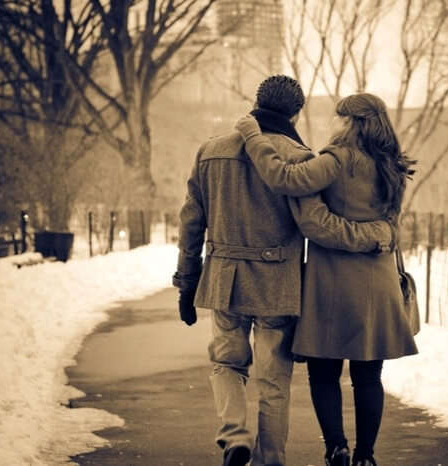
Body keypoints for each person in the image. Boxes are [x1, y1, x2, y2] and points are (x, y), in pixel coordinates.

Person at [173, 76, 395, 466]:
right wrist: (378, 234)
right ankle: (270, 459)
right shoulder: (300, 156)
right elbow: (315, 223)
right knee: (274, 381)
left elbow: (191, 221)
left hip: (225, 278)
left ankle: (235, 434)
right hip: (277, 282)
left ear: (256, 101)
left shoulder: (209, 152)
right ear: (296, 112)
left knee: (226, 363)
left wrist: (187, 280)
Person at [235, 92, 419, 466]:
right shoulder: (391, 165)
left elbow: (283, 177)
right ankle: (366, 456)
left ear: (349, 122)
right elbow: (390, 225)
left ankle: (336, 447)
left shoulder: (335, 161)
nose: (334, 123)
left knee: (324, 372)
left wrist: (253, 137)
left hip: (332, 283)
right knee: (369, 375)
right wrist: (377, 235)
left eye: (339, 117)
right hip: (378, 282)